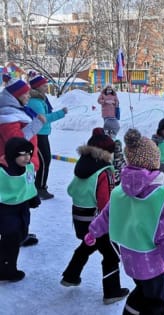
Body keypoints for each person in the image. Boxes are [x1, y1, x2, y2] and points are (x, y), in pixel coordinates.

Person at [85, 128, 164, 315]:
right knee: (157, 302)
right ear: (154, 161)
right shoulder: (160, 196)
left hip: (130, 258)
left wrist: (92, 232)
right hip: (152, 263)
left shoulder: (120, 191)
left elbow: (106, 215)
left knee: (142, 290)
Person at [61, 127, 129, 305]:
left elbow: (71, 190)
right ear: (107, 152)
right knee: (112, 255)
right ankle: (112, 291)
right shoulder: (104, 171)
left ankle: (70, 275)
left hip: (80, 219)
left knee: (86, 246)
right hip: (99, 223)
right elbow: (106, 202)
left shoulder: (83, 165)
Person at [0, 74, 46, 247]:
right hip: (14, 167)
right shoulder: (6, 115)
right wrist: (36, 125)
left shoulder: (17, 111)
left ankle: (20, 232)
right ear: (15, 96)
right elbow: (15, 143)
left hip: (23, 164)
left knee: (22, 202)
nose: (28, 96)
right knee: (16, 203)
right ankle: (15, 235)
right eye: (25, 94)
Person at [0, 137, 41, 282]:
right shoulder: (2, 172)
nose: (27, 157)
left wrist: (33, 197)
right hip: (5, 209)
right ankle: (6, 269)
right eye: (22, 154)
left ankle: (19, 239)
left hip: (22, 207)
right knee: (10, 238)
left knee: (21, 231)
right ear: (12, 154)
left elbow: (29, 182)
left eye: (29, 153)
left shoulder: (28, 167)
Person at [26, 71, 68, 200]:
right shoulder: (35, 101)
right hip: (37, 135)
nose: (46, 87)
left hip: (42, 134)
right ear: (38, 87)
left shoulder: (40, 99)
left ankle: (40, 186)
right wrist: (61, 113)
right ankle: (40, 188)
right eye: (44, 86)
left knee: (44, 161)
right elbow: (44, 118)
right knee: (44, 161)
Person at [103, 118, 125, 185]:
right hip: (110, 179)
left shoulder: (97, 141)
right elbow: (119, 165)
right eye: (116, 131)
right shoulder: (115, 144)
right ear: (112, 132)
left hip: (98, 176)